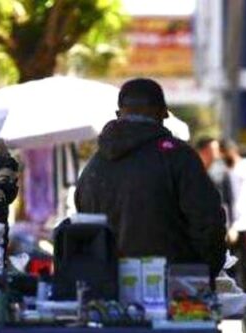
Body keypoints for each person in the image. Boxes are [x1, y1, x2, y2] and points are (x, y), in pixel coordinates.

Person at [74, 78, 226, 278]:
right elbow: (208, 221)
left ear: (119, 114)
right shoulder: (178, 157)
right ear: (163, 113)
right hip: (173, 288)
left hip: (110, 291)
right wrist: (202, 275)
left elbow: (85, 227)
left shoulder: (94, 165)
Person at [223, 139, 246, 293]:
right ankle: (235, 290)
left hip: (245, 221)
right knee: (232, 261)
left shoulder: (245, 166)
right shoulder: (224, 169)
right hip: (231, 223)